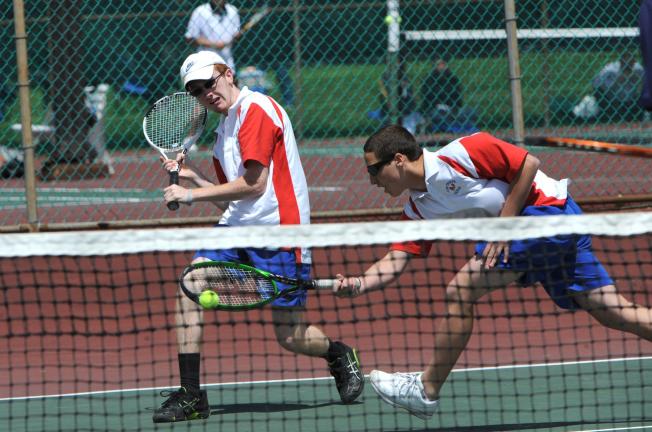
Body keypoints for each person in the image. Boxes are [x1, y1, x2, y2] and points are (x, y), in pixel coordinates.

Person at [332, 124, 652, 420]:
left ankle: (426, 390)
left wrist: (503, 230)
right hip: (547, 229)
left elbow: (528, 164)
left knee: (461, 290)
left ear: (398, 160)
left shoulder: (463, 152)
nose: (372, 179)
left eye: (374, 169)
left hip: (546, 214)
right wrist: (359, 283)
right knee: (614, 312)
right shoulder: (420, 207)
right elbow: (397, 258)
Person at [152, 51, 364, 423]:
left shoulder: (257, 110)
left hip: (281, 232)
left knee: (290, 336)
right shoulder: (224, 132)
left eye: (209, 83)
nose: (206, 93)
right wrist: (197, 179)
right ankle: (191, 395)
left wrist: (189, 196)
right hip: (237, 231)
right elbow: (234, 202)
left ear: (227, 73)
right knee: (190, 284)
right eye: (197, 91)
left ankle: (337, 353)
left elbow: (254, 184)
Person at [421, 59, 477, 133]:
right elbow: (428, 97)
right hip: (436, 108)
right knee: (438, 114)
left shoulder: (452, 79)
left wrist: (453, 107)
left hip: (451, 108)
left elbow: (457, 97)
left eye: (443, 64)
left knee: (470, 111)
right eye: (439, 65)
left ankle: (463, 129)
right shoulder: (429, 80)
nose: (441, 67)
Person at [185, 0, 242, 71]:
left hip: (228, 63)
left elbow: (236, 34)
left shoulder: (233, 10)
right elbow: (190, 37)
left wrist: (236, 37)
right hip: (205, 63)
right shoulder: (199, 11)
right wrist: (214, 44)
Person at [591, 52, 644, 121]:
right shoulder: (610, 69)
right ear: (620, 62)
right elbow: (596, 84)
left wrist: (638, 80)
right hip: (612, 99)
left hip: (631, 99)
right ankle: (606, 116)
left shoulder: (638, 69)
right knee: (599, 93)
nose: (628, 66)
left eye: (631, 64)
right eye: (625, 64)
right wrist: (616, 81)